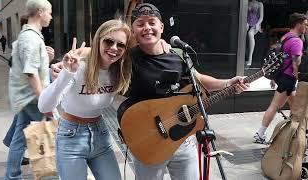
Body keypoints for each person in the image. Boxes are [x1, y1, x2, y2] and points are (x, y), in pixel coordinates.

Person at [51, 3, 249, 179]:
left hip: (182, 141)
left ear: (161, 27)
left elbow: (198, 79)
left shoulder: (179, 54)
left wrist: (227, 82)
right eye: (140, 24)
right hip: (149, 140)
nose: (147, 28)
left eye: (152, 22)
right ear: (134, 32)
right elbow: (95, 50)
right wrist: (66, 62)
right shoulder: (127, 58)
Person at [38, 19, 132, 180]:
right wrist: (67, 74)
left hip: (100, 134)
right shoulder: (79, 66)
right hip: (70, 137)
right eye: (108, 41)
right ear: (98, 41)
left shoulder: (120, 70)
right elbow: (44, 105)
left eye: (120, 45)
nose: (114, 48)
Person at [5, 0, 53, 179]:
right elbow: (31, 72)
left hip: (26, 98)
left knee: (18, 140)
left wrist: (47, 58)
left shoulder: (29, 36)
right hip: (33, 98)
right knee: (49, 138)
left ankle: (12, 176)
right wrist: (44, 102)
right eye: (49, 12)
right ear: (40, 12)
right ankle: (50, 176)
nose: (51, 16)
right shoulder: (31, 38)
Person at [253, 13, 308, 144]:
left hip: (283, 77)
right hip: (288, 79)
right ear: (298, 24)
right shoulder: (297, 41)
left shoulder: (286, 36)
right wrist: (298, 78)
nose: (306, 27)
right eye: (305, 24)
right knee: (274, 106)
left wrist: (274, 78)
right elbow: (296, 63)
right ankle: (260, 134)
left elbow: (280, 58)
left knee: (296, 108)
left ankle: (296, 133)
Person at [246, 0, 264, 67]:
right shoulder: (247, 3)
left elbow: (261, 17)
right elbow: (245, 15)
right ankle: (243, 57)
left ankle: (250, 59)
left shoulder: (260, 4)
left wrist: (258, 24)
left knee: (250, 34)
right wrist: (246, 22)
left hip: (255, 25)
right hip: (247, 23)